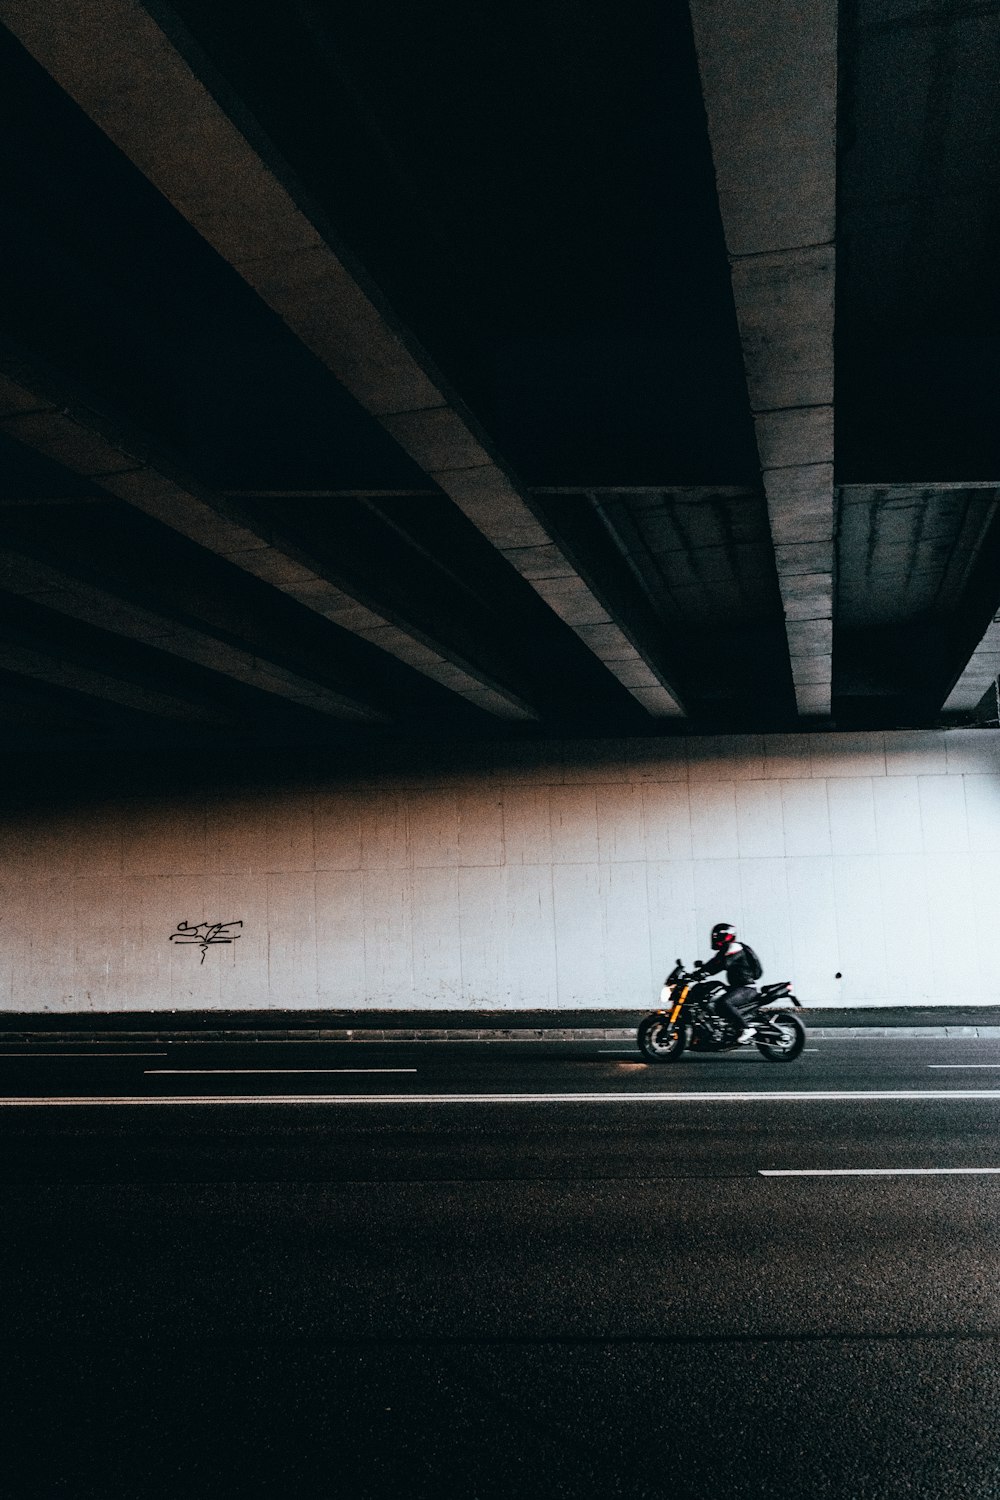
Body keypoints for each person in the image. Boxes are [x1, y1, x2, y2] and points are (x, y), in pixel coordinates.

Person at [696, 922, 761, 1045]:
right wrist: (697, 973)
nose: (715, 938)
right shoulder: (725, 950)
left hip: (747, 988)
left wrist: (704, 973)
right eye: (714, 936)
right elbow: (713, 963)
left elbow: (723, 963)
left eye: (717, 935)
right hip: (736, 987)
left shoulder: (735, 947)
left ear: (727, 936)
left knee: (724, 1002)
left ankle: (747, 1029)